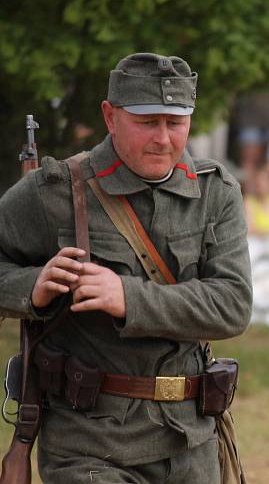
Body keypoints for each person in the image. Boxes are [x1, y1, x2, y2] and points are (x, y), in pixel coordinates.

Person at [0, 53, 253, 482]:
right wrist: (31, 289)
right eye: (147, 122)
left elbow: (232, 305)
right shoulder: (56, 190)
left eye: (176, 123)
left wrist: (128, 297)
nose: (163, 139)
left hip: (192, 442)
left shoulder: (217, 191)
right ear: (110, 116)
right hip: (90, 444)